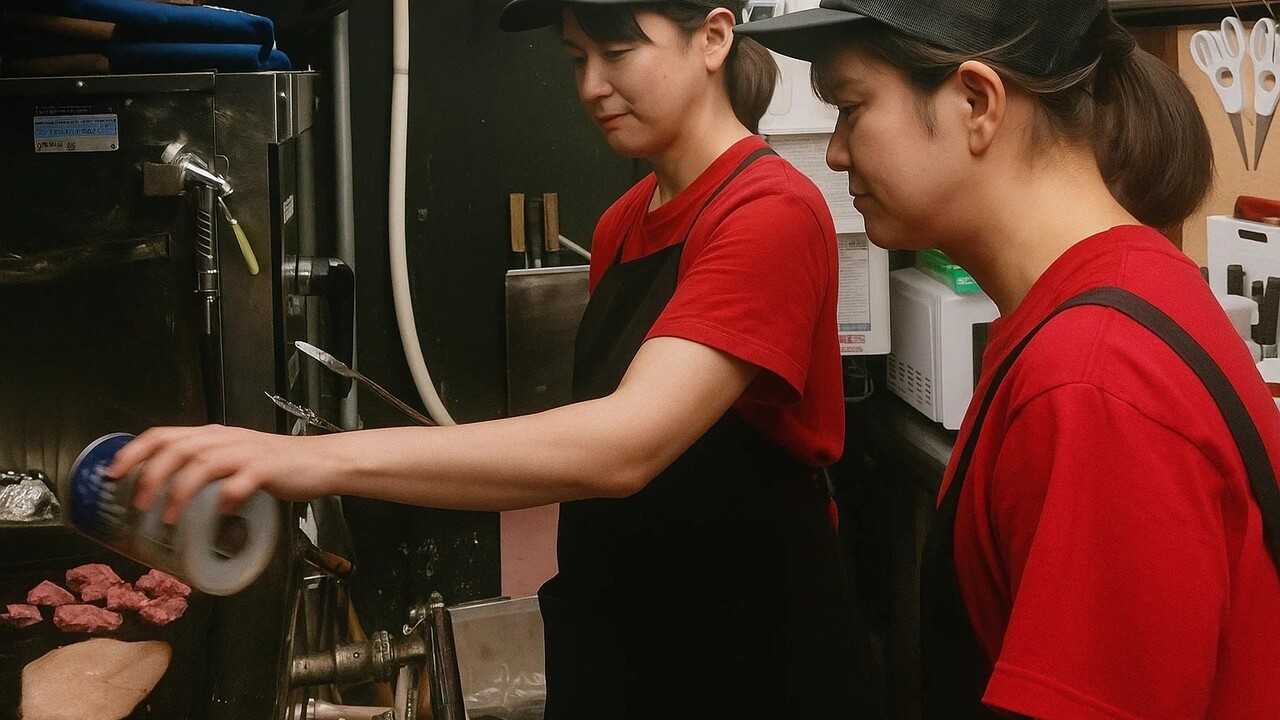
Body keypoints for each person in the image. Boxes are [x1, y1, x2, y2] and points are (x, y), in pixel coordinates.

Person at [110, 1, 863, 717]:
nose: (592, 86)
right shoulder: (623, 224)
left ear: (714, 38)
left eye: (619, 52)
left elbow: (624, 448)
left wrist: (312, 459)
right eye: (576, 57)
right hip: (625, 628)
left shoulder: (769, 213)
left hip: (744, 650)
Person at [737, 1, 1280, 718]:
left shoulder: (1094, 381)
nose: (836, 152)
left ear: (976, 102)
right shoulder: (1111, 300)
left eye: (851, 106)